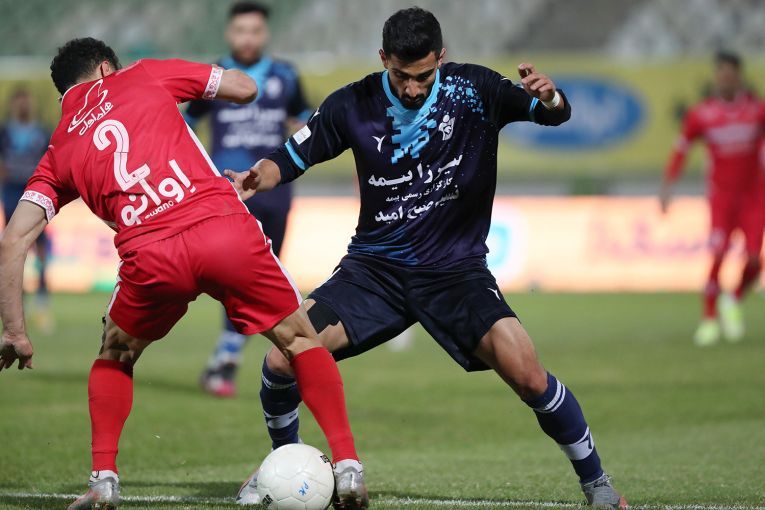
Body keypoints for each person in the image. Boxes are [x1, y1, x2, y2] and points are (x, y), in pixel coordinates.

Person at [232, 7, 627, 509]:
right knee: (280, 358)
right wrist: (253, 178)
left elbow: (552, 114)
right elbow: (289, 158)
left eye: (424, 76)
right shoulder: (352, 104)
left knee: (528, 374)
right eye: (402, 76)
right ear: (383, 59)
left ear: (441, 57)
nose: (414, 89)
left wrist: (550, 97)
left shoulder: (474, 89)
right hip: (374, 272)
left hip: (455, 272)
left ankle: (597, 483)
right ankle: (286, 464)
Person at [0, 37, 367, 510]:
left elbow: (13, 240)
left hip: (151, 256)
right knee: (298, 340)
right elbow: (244, 88)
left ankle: (103, 480)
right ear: (107, 67)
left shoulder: (59, 148)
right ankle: (348, 467)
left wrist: (15, 331)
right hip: (220, 230)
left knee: (116, 353)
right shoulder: (143, 74)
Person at [185, 1, 312, 398]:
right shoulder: (214, 77)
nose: (248, 38)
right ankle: (234, 355)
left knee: (266, 277)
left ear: (265, 34)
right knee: (235, 276)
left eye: (255, 31)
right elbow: (185, 124)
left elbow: (307, 120)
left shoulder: (285, 76)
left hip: (275, 192)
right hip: (227, 193)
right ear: (229, 33)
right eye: (241, 30)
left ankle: (229, 357)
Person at [661, 51, 765, 346]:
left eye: (731, 74)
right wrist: (667, 187)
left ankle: (733, 299)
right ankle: (708, 319)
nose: (726, 79)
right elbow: (681, 149)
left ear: (739, 77)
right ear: (716, 77)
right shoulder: (702, 115)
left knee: (755, 260)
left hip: (754, 197)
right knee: (717, 254)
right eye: (721, 74)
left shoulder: (757, 111)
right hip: (722, 198)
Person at [0, 88, 53, 331]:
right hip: (12, 194)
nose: (23, 106)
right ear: (14, 105)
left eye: (26, 102)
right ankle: (17, 302)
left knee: (41, 251)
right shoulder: (5, 133)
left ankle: (42, 303)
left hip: (36, 194)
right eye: (20, 102)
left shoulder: (41, 132)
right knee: (14, 248)